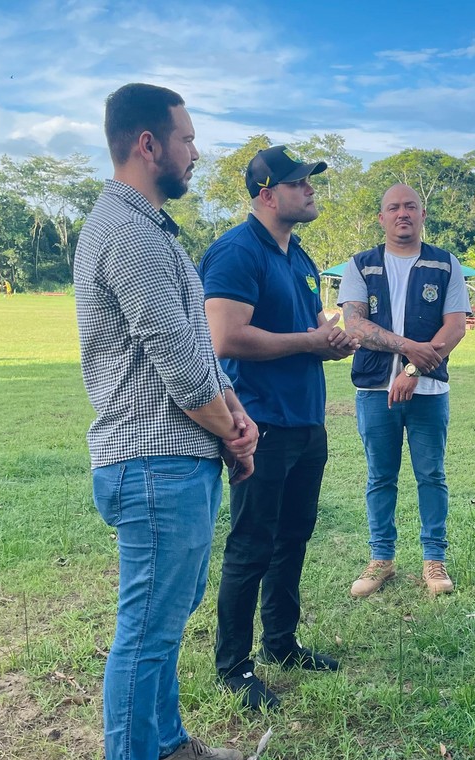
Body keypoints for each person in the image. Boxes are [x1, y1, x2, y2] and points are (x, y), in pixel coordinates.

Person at [74, 83, 258, 760]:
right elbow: (181, 365)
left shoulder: (147, 227)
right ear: (147, 143)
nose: (193, 150)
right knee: (145, 631)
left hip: (170, 458)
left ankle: (166, 745)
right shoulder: (131, 233)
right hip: (151, 463)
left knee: (165, 620)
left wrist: (231, 416)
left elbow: (192, 355)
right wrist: (234, 430)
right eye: (184, 137)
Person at [200, 145, 353, 712]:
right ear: (267, 193)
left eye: (311, 181)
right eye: (298, 182)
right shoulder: (237, 253)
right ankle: (234, 666)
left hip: (306, 420)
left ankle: (281, 643)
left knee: (294, 537)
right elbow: (224, 338)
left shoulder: (299, 256)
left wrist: (331, 340)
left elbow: (314, 327)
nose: (310, 189)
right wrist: (311, 342)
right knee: (251, 544)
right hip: (257, 422)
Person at [340, 184, 469, 597]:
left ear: (422, 213)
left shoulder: (445, 265)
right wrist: (407, 346)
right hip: (375, 390)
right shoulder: (361, 266)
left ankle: (434, 560)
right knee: (381, 476)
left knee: (431, 474)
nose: (402, 214)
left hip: (428, 391)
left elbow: (455, 326)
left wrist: (413, 366)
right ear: (381, 217)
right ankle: (381, 559)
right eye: (393, 207)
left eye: (410, 206)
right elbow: (355, 327)